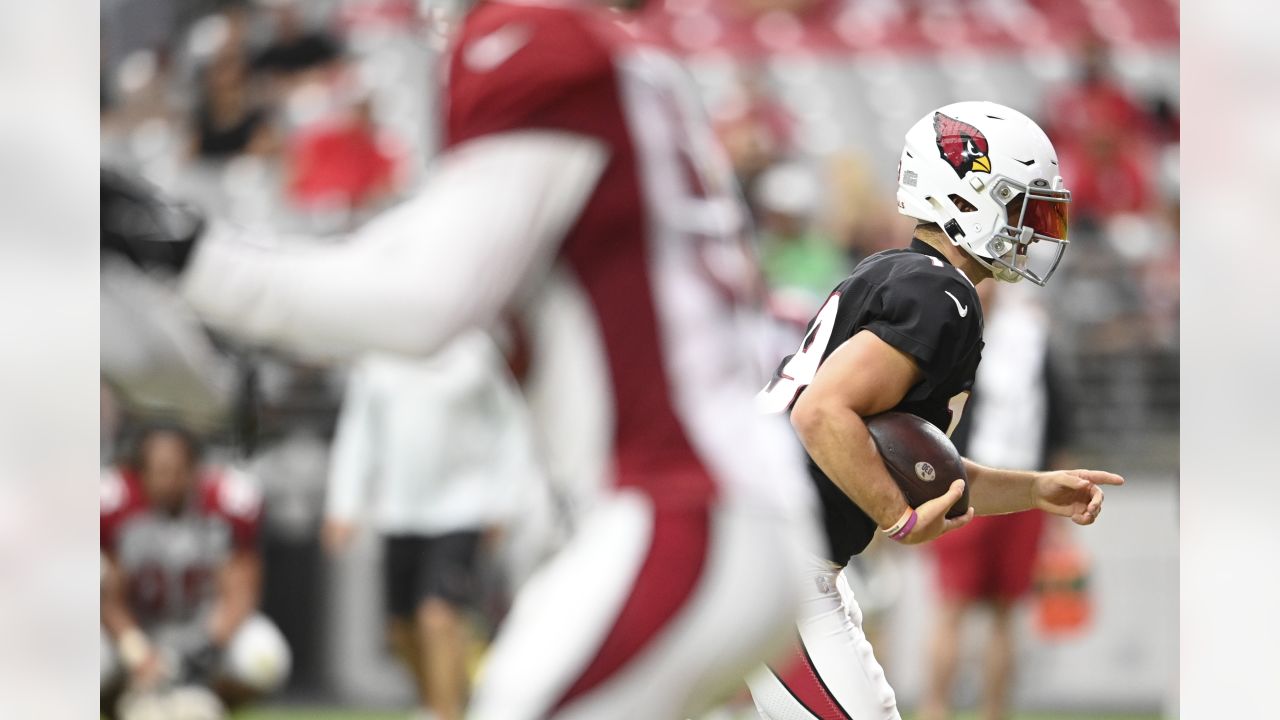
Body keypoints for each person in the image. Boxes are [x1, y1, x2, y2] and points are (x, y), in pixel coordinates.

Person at [103, 0, 820, 716]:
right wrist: (183, 250)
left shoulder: (532, 40)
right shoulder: (592, 54)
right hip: (710, 503)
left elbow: (422, 307)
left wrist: (184, 252)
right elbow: (382, 264)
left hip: (681, 504)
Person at [746, 101, 1123, 719]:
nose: (1037, 229)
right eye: (1024, 206)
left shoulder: (909, 278)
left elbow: (924, 467)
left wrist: (1036, 489)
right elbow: (820, 414)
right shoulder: (941, 294)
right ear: (970, 196)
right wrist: (897, 520)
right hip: (778, 559)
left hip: (769, 543)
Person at [321, 333, 541, 720]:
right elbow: (359, 432)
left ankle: (446, 713)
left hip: (463, 511)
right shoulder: (378, 356)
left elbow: (510, 425)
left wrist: (504, 503)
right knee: (401, 631)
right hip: (397, 512)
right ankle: (438, 705)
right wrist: (343, 505)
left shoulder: (475, 352)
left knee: (437, 617)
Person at [919, 282, 1072, 720]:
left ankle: (993, 712)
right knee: (953, 606)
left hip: (1023, 483)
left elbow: (1056, 413)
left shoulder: (1030, 331)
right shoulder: (956, 326)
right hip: (968, 479)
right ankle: (935, 710)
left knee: (1004, 613)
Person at [100, 424, 290, 716]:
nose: (170, 480)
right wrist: (136, 652)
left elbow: (242, 589)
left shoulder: (223, 504)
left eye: (178, 470)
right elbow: (107, 598)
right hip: (140, 629)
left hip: (202, 629)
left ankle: (210, 699)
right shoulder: (116, 508)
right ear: (141, 473)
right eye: (161, 470)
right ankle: (120, 702)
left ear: (194, 470)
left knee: (263, 659)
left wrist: (204, 652)